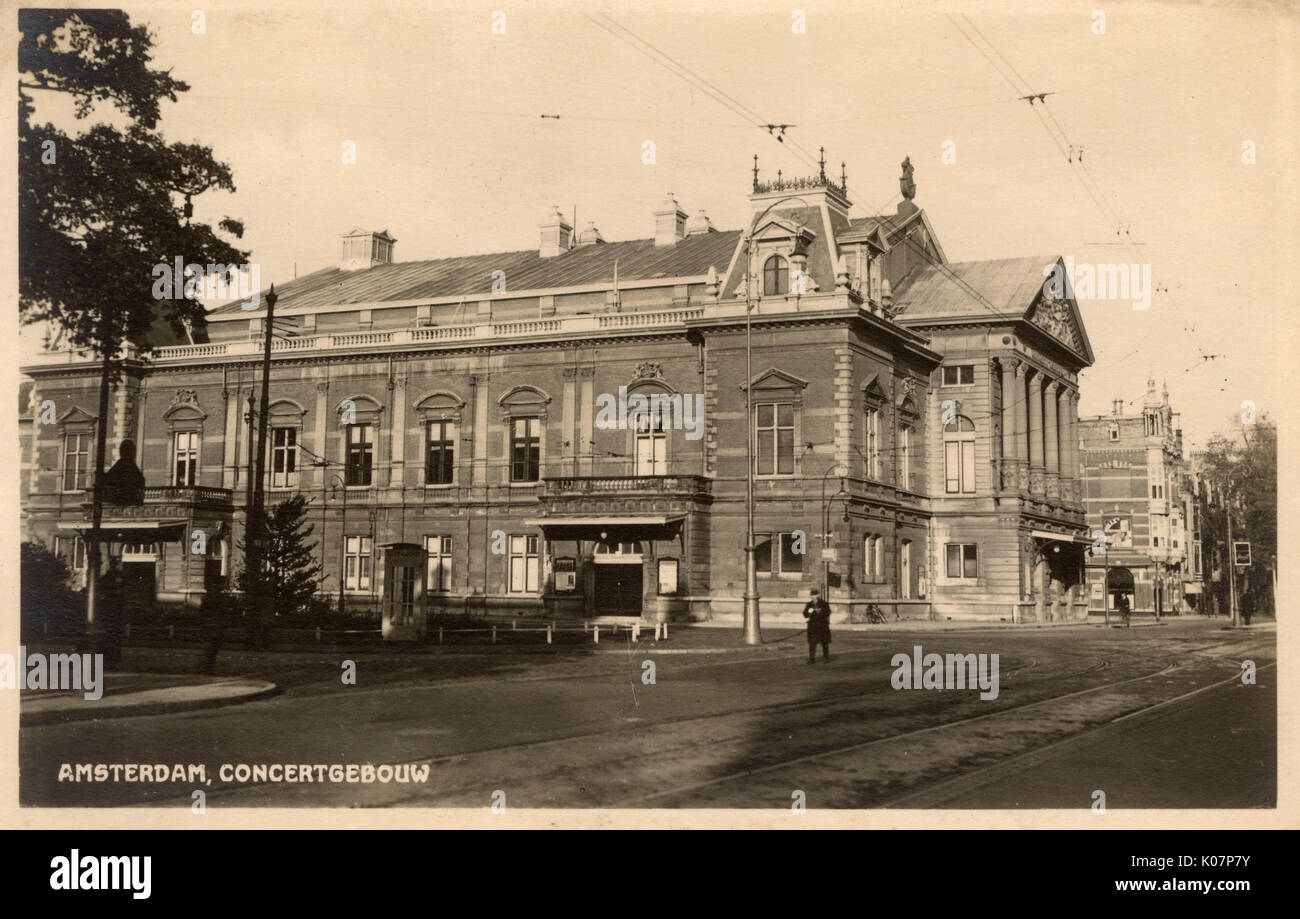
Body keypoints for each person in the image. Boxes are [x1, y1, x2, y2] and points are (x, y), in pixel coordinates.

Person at [803, 588, 832, 663]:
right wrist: (808, 612)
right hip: (812, 626)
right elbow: (805, 614)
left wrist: (819, 613)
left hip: (822, 626)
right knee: (812, 643)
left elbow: (828, 612)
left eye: (815, 595)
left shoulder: (824, 603)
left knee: (824, 643)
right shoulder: (809, 604)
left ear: (818, 595)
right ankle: (811, 659)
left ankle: (826, 658)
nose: (813, 597)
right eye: (812, 595)